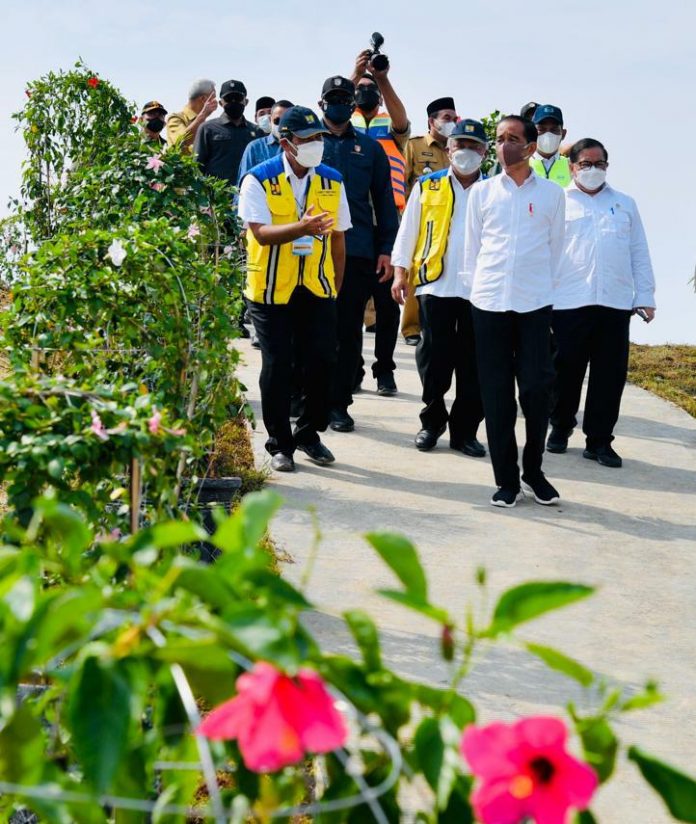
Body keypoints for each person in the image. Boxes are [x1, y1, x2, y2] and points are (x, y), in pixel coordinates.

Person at [237, 106, 352, 472]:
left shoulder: (332, 180)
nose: (315, 144)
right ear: (286, 143)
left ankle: (308, 434)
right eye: (307, 140)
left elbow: (338, 240)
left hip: (316, 287)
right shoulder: (259, 179)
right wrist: (301, 229)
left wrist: (335, 286)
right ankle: (279, 442)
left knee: (321, 362)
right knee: (278, 364)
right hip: (271, 288)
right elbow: (258, 233)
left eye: (318, 137)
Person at [463, 114, 565, 508]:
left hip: (534, 304)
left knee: (537, 391)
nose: (504, 145)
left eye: (512, 138)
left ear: (531, 144)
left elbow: (557, 250)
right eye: (499, 138)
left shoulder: (553, 195)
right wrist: (478, 293)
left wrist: (542, 289)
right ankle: (506, 479)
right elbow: (472, 251)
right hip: (488, 304)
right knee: (497, 395)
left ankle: (533, 472)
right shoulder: (483, 194)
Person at [547, 138, 656, 467]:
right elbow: (544, 252)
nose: (593, 170)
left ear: (607, 167)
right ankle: (560, 428)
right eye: (586, 164)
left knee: (609, 376)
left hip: (614, 302)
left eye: (599, 164)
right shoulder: (559, 202)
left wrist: (645, 297)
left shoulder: (624, 204)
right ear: (572, 167)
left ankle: (599, 441)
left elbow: (639, 251)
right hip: (568, 301)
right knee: (565, 371)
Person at [391, 119, 487, 457]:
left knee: (475, 364)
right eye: (460, 145)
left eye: (474, 146)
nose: (466, 152)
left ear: (485, 152)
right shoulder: (428, 186)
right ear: (449, 149)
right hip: (435, 284)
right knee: (434, 359)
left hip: (480, 290)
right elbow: (409, 230)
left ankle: (465, 432)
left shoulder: (494, 190)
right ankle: (431, 423)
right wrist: (400, 272)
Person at [318, 76, 399, 431]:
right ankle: (306, 398)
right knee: (311, 329)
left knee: (349, 331)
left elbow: (384, 202)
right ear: (321, 103)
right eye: (332, 97)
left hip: (357, 251)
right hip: (310, 251)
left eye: (344, 98)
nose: (338, 103)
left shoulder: (370, 148)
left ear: (353, 104)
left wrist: (386, 250)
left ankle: (339, 404)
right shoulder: (306, 142)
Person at [350, 50, 411, 394]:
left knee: (387, 304)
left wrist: (382, 77)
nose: (365, 92)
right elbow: (335, 100)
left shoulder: (391, 122)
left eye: (369, 88)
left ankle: (384, 370)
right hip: (355, 222)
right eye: (360, 87)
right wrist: (354, 72)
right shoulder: (346, 120)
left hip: (389, 222)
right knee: (352, 304)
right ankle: (353, 368)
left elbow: (402, 121)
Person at [401, 97, 458, 345]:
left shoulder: (458, 148)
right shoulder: (414, 146)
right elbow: (402, 182)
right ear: (431, 121)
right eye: (446, 118)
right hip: (423, 219)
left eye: (454, 119)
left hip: (451, 219)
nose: (451, 123)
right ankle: (412, 328)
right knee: (416, 271)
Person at [194, 79, 262, 185]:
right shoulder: (207, 129)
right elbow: (197, 166)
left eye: (238, 98)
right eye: (228, 99)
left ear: (246, 101)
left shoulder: (256, 131)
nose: (233, 102)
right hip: (217, 197)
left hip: (248, 195)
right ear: (221, 103)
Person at [237, 100, 294, 183]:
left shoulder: (304, 146)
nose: (282, 125)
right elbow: (243, 184)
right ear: (270, 120)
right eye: (277, 121)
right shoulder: (255, 148)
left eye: (287, 120)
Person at [166, 79, 218, 152]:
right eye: (213, 97)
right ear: (203, 99)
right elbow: (181, 142)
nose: (216, 101)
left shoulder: (204, 123)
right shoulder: (175, 118)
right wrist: (203, 116)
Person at [530, 104, 571, 187]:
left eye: (554, 130)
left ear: (563, 134)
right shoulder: (521, 165)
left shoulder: (572, 167)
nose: (548, 134)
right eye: (541, 129)